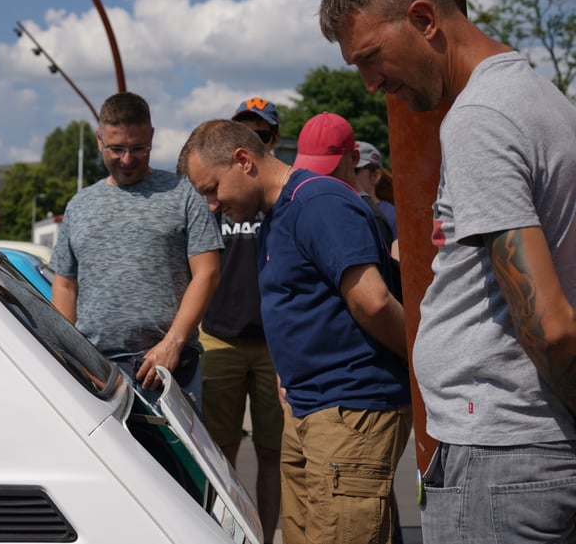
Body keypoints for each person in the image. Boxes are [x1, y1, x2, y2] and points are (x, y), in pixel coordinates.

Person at [320, 0, 576, 542]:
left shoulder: (479, 119)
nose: (370, 83)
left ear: (423, 19)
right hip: (520, 453)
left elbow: (549, 326)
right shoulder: (540, 97)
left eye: (370, 57)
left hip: (502, 457)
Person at [177, 114, 411, 544]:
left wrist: (419, 361)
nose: (211, 204)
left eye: (212, 189)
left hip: (349, 408)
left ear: (243, 160)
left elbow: (373, 301)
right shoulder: (277, 214)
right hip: (309, 408)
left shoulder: (317, 202)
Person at [50, 92, 222, 408]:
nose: (127, 159)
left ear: (151, 137)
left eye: (138, 148)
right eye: (116, 148)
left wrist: (173, 342)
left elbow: (207, 272)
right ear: (99, 139)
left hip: (168, 371)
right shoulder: (79, 205)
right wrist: (68, 352)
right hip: (96, 374)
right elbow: (65, 284)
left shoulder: (185, 194)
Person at [200, 97, 284, 544]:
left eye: (261, 134)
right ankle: (227, 537)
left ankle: (266, 537)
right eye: (245, 133)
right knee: (220, 453)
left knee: (274, 453)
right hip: (221, 336)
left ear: (274, 140)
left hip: (274, 343)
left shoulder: (278, 192)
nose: (253, 140)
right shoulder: (216, 196)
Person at [354, 141, 399, 259]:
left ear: (375, 176)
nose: (347, 174)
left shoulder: (391, 215)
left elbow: (397, 263)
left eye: (355, 170)